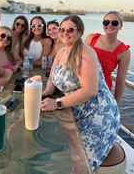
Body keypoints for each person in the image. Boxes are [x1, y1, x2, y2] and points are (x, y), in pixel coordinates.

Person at [41, 15, 120, 172]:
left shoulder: (85, 52)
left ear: (79, 32)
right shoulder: (62, 51)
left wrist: (56, 103)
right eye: (62, 29)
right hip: (76, 110)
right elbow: (52, 76)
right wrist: (48, 91)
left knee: (78, 164)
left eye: (70, 29)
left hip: (98, 115)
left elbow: (90, 90)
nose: (65, 32)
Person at [84, 11, 130, 104]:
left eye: (114, 22)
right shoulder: (91, 38)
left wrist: (116, 104)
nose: (109, 25)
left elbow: (120, 81)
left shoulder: (124, 52)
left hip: (101, 93)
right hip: (82, 86)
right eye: (106, 22)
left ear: (120, 26)